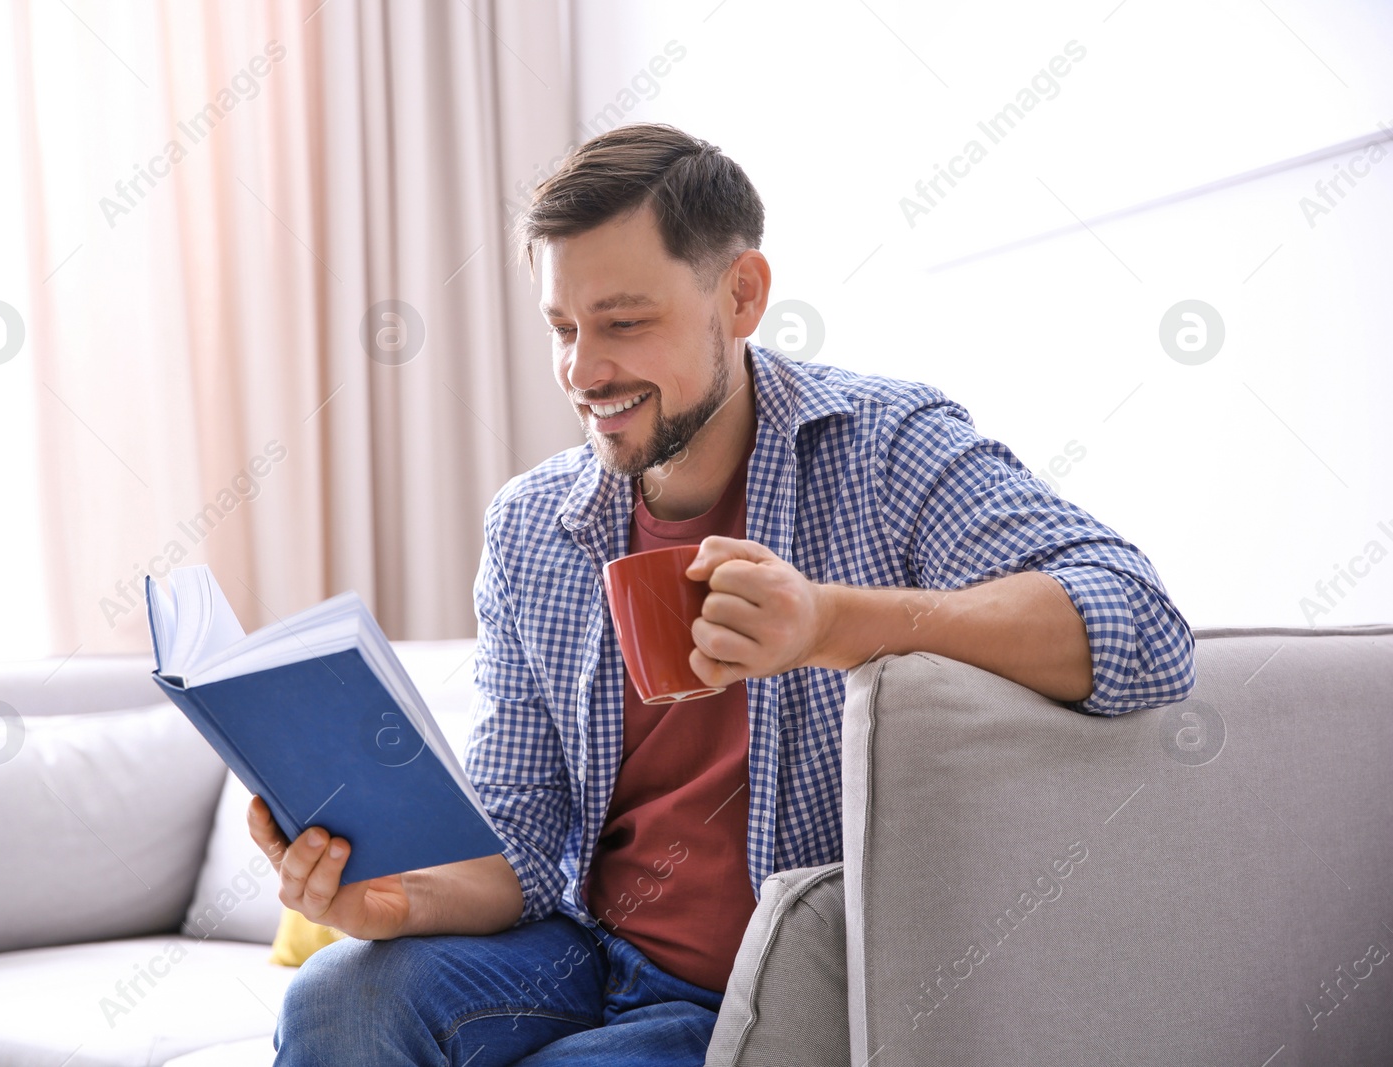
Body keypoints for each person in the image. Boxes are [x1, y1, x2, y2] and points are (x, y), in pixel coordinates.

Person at [254, 123, 1196, 1066]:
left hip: (762, 986)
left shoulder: (883, 447)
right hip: (583, 952)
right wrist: (394, 901)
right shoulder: (532, 526)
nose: (583, 372)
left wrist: (833, 622)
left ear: (740, 295)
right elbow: (525, 842)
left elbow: (1140, 626)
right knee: (338, 994)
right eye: (562, 328)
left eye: (624, 322)